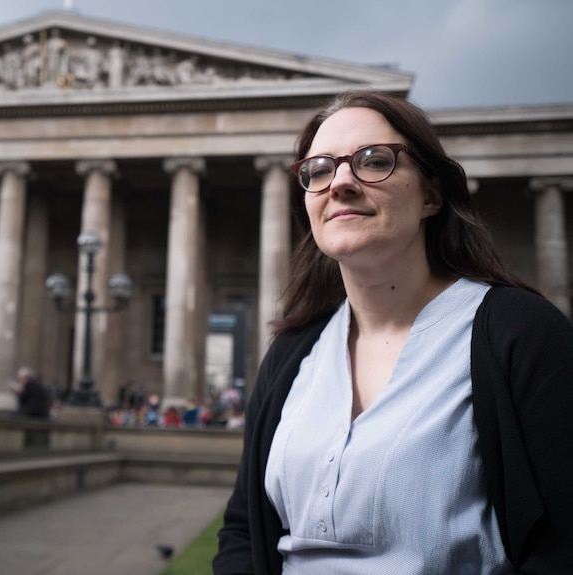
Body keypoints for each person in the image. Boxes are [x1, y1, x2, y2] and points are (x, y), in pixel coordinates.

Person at [214, 91, 573, 574]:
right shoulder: (292, 354)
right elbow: (242, 529)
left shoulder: (519, 334)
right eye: (319, 169)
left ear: (431, 195)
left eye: (373, 160)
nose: (340, 181)